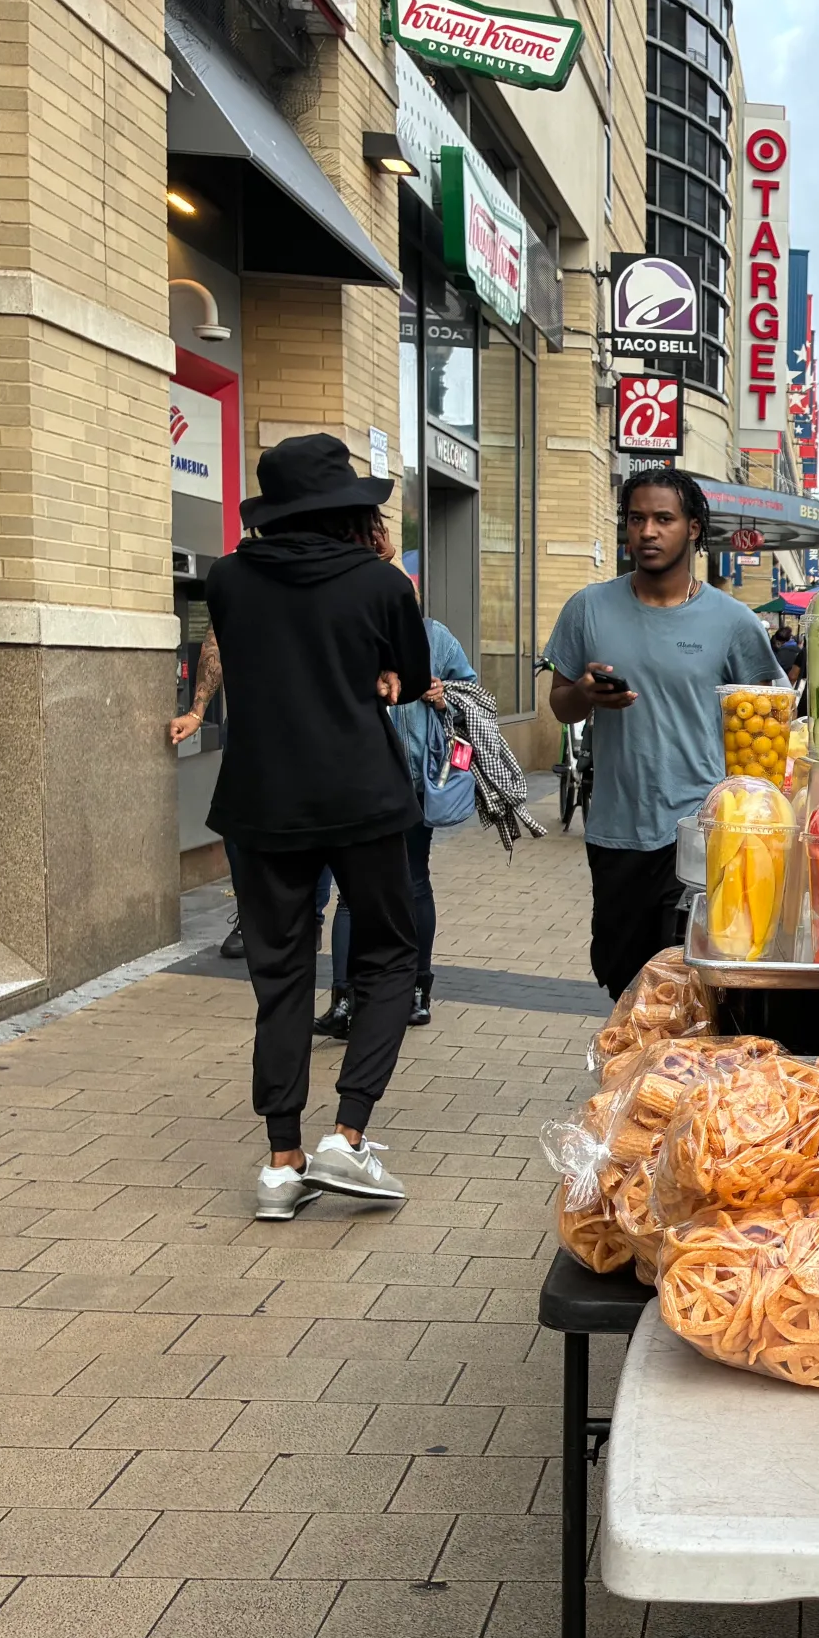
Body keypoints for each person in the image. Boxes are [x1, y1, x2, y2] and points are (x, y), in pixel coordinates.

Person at [207, 433, 433, 1223]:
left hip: (261, 801)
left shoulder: (227, 580)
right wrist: (374, 674)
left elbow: (257, 663)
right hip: (362, 795)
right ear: (348, 509)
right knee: (390, 953)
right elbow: (409, 683)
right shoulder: (380, 584)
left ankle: (280, 1162)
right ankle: (349, 1134)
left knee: (280, 975)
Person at [547, 467, 782, 997]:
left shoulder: (734, 621)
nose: (647, 532)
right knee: (622, 978)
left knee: (696, 987)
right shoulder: (588, 608)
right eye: (636, 519)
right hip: (618, 830)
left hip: (705, 833)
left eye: (663, 519)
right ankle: (632, 1074)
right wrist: (585, 692)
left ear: (694, 528)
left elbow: (768, 720)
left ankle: (676, 1077)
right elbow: (560, 706)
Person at [311, 606, 478, 1036]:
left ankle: (417, 990)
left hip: (412, 781)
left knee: (413, 882)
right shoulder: (346, 629)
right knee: (350, 894)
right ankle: (345, 1000)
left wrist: (445, 694)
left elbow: (471, 691)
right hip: (354, 781)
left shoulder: (432, 636)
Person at [167, 635, 249, 962]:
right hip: (248, 724)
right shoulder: (243, 584)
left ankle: (309, 917)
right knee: (236, 826)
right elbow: (216, 641)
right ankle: (251, 916)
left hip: (307, 722)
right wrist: (198, 710)